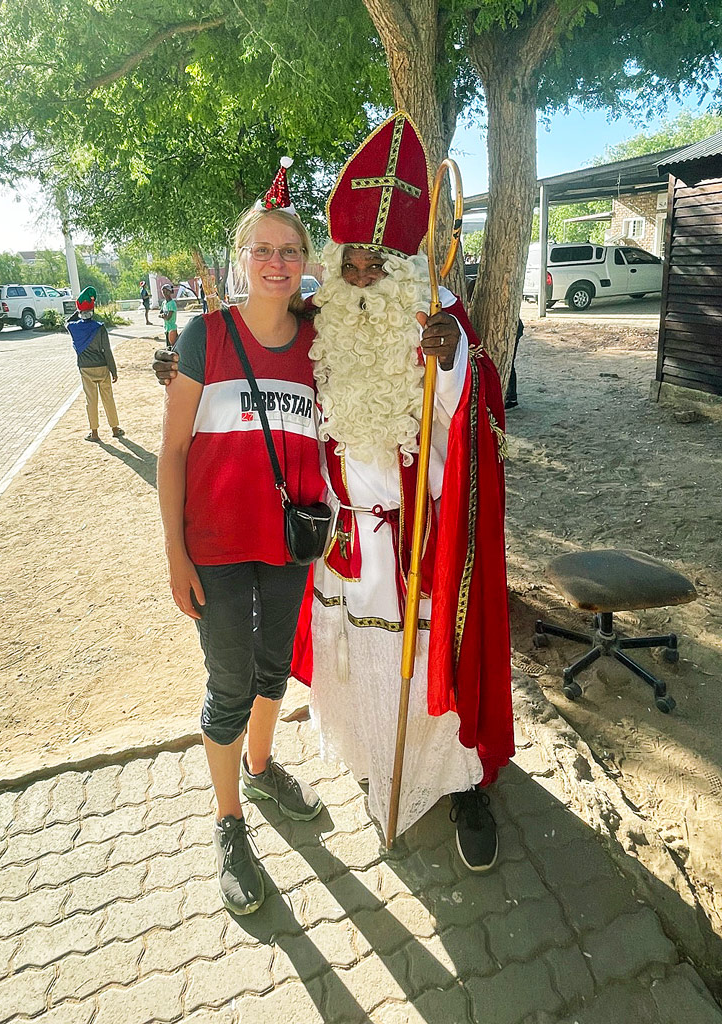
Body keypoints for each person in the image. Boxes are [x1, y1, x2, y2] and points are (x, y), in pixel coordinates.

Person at [154, 113, 513, 871]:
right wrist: (184, 371)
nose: (363, 275)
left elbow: (477, 410)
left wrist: (449, 361)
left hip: (419, 542)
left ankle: (456, 782)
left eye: (379, 262)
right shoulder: (323, 325)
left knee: (424, 663)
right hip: (333, 541)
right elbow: (219, 398)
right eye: (351, 261)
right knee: (339, 671)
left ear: (405, 263)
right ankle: (370, 770)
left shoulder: (437, 318)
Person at [157, 161, 326, 917]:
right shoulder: (206, 335)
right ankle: (229, 823)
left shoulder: (324, 342)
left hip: (287, 541)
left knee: (272, 668)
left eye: (288, 251)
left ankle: (262, 767)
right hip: (217, 547)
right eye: (262, 250)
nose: (275, 262)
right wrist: (174, 552)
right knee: (228, 687)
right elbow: (171, 451)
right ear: (242, 259)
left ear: (305, 263)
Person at [66, 286, 125, 442]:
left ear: (79, 312)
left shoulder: (73, 328)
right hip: (102, 367)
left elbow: (67, 321)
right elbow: (107, 350)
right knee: (108, 398)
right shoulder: (100, 328)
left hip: (85, 369)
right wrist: (113, 370)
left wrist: (80, 308)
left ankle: (95, 433)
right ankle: (115, 428)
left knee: (91, 400)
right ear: (92, 311)